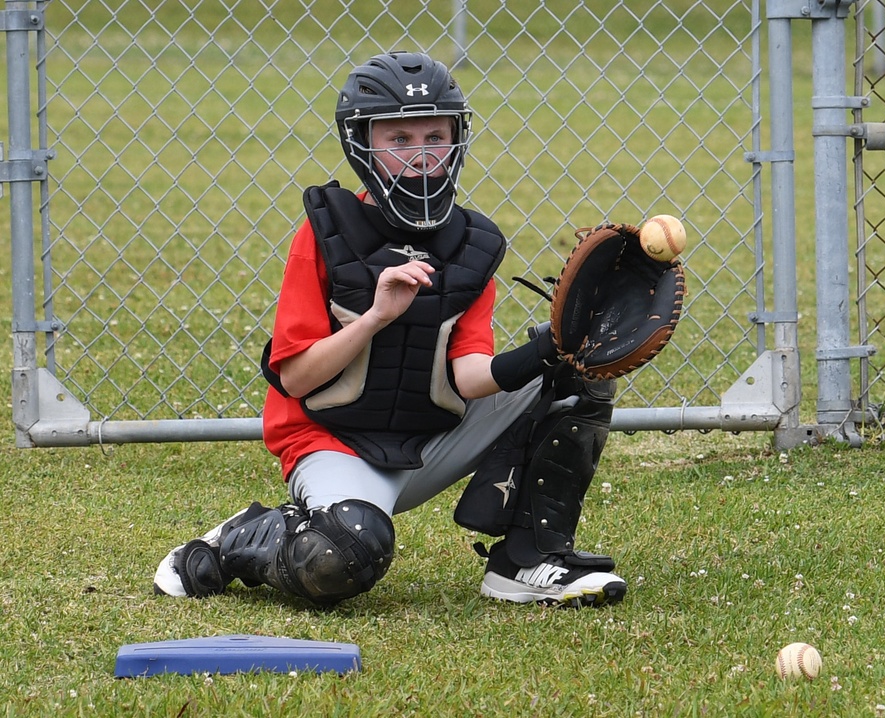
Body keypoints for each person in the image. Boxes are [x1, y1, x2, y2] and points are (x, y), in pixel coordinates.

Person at [153, 51, 625, 608]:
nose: (422, 155)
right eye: (398, 140)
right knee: (341, 555)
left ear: (458, 138)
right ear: (361, 144)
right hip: (334, 440)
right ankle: (241, 539)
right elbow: (299, 378)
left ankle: (526, 561)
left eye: (435, 135)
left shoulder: (472, 247)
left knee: (577, 375)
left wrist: (553, 349)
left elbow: (469, 377)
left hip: (429, 436)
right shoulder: (325, 233)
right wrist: (376, 317)